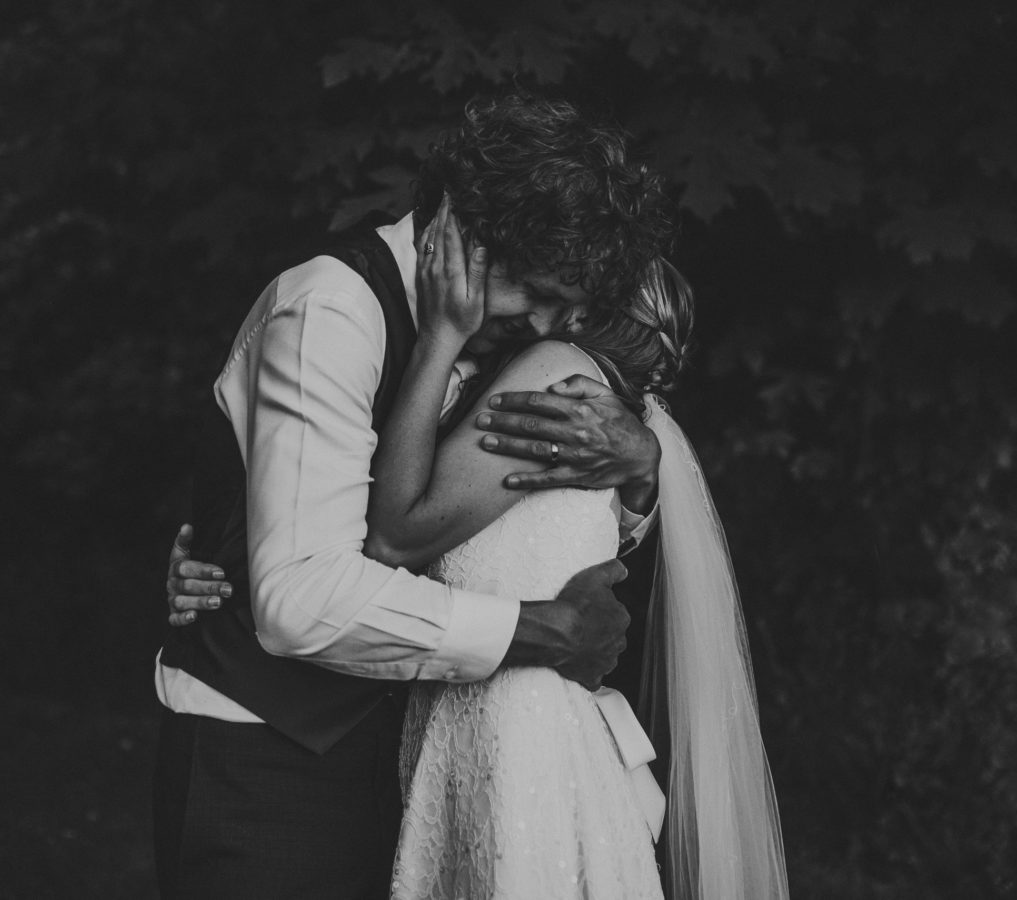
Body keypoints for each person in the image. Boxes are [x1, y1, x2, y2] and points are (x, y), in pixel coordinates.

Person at [154, 94, 674, 899]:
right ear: (456, 231)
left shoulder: (494, 339)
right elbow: (301, 598)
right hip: (269, 769)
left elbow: (515, 519)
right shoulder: (330, 310)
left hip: (417, 760)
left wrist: (638, 470)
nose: (544, 324)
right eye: (532, 289)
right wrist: (537, 633)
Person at [368, 203, 790, 898]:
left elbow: (399, 534)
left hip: (512, 728)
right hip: (524, 718)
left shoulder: (553, 373)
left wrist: (439, 338)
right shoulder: (606, 409)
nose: (535, 308)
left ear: (586, 304)